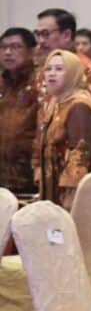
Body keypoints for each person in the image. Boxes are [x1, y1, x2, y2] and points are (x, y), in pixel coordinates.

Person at [36, 49, 91, 211]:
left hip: (71, 197)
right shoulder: (58, 103)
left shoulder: (79, 106)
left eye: (59, 69)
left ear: (73, 73)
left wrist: (70, 198)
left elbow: (80, 154)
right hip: (54, 190)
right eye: (48, 69)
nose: (51, 74)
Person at [34, 8, 91, 122]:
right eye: (38, 34)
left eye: (45, 34)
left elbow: (88, 116)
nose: (40, 40)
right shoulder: (44, 65)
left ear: (66, 35)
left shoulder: (84, 68)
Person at [0, 27, 39, 194]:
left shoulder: (41, 82)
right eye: (3, 47)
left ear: (31, 51)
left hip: (30, 174)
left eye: (15, 47)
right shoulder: (1, 82)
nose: (8, 52)